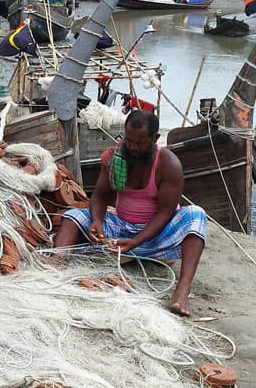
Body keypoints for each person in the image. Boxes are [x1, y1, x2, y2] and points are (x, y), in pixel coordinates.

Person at [52, 110, 206, 317]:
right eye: (129, 140)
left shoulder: (168, 164)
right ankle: (55, 262)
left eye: (140, 143)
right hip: (122, 228)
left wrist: (136, 241)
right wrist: (97, 220)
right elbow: (99, 195)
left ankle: (182, 290)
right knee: (73, 216)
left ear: (154, 139)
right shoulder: (113, 157)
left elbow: (166, 211)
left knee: (196, 215)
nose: (132, 147)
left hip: (157, 234)